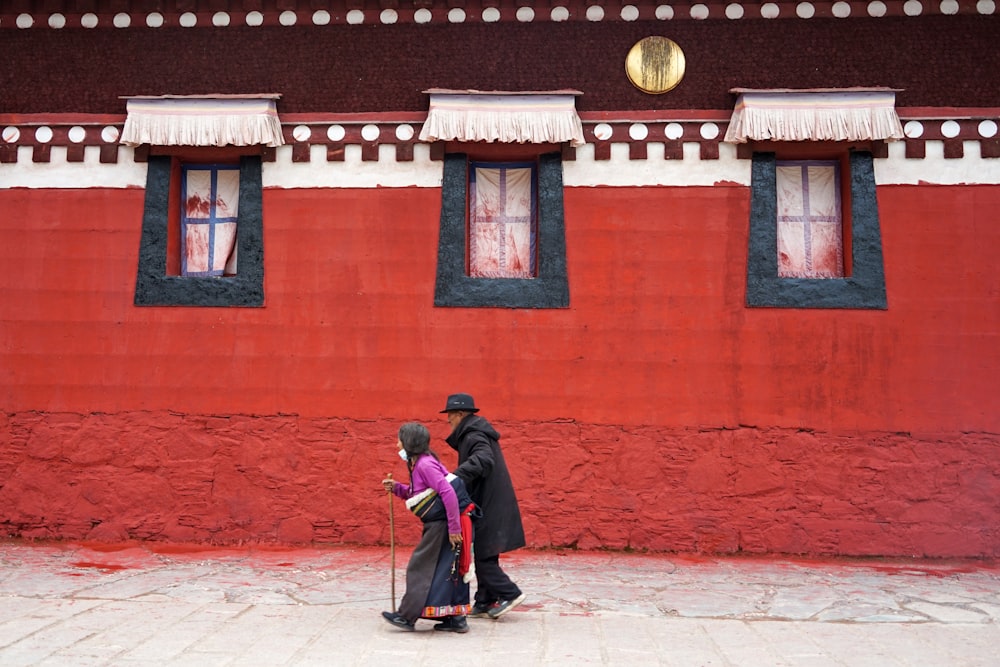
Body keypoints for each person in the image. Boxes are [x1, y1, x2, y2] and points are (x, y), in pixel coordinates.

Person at [381, 421, 476, 633]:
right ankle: (455, 619)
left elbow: (447, 493)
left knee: (420, 566)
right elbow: (422, 494)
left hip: (443, 525)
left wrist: (453, 529)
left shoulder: (425, 465)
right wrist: (397, 488)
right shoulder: (422, 463)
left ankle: (407, 616)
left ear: (409, 443)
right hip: (444, 523)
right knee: (448, 569)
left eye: (400, 440)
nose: (397, 445)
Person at [441, 393, 527, 619]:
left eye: (450, 417)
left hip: (489, 504)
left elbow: (484, 459)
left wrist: (455, 478)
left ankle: (510, 593)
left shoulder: (473, 435)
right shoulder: (477, 433)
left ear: (460, 415)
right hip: (492, 502)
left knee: (482, 554)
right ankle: (485, 599)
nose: (449, 422)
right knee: (486, 550)